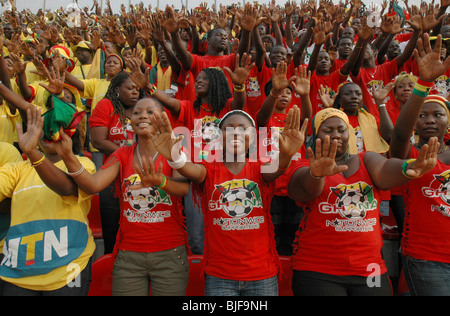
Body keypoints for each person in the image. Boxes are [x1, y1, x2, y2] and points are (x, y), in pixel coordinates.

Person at [148, 104, 307, 296]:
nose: (236, 132)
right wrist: (174, 156)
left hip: (261, 275)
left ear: (254, 136)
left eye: (243, 128)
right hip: (220, 276)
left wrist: (286, 155)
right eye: (228, 129)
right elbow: (190, 170)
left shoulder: (261, 168)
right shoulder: (208, 169)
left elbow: (276, 169)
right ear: (219, 136)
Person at [286, 106, 439, 296]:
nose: (336, 135)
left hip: (370, 268)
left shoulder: (367, 159)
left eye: (341, 130)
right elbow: (304, 191)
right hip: (318, 269)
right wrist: (316, 174)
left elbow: (385, 171)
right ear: (316, 135)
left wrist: (409, 167)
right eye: (328, 130)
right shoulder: (305, 165)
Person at [56, 97, 191, 296]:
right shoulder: (122, 154)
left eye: (150, 112)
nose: (143, 115)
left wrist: (160, 181)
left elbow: (184, 189)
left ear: (162, 118)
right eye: (137, 113)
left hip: (169, 253)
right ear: (130, 121)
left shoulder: (175, 151)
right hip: (129, 256)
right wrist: (68, 157)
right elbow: (94, 184)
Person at [128, 52, 254, 254]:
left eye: (204, 79)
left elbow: (238, 104)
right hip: (196, 178)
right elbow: (169, 102)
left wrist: (239, 86)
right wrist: (148, 88)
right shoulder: (188, 107)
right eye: (198, 79)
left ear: (216, 82)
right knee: (196, 237)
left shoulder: (226, 107)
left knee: (225, 230)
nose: (198, 82)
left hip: (223, 177)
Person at [0, 105, 96, 296]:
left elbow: (68, 188)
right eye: (45, 129)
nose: (50, 133)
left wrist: (33, 154)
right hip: (19, 270)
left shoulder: (84, 164)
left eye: (56, 128)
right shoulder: (17, 169)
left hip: (69, 266)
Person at [389, 34, 450, 296]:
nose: (429, 120)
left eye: (438, 114)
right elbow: (400, 135)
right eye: (422, 115)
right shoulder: (410, 153)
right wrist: (424, 83)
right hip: (427, 258)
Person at [256, 62, 312, 255]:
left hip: (294, 184)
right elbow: (262, 117)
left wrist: (304, 95)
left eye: (288, 92)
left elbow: (307, 117)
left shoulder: (294, 118)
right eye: (279, 91)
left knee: (293, 235)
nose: (284, 94)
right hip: (272, 185)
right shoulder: (265, 119)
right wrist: (274, 92)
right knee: (274, 234)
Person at [88, 71, 142, 254]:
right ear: (117, 89)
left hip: (141, 177)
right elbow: (98, 141)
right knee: (113, 230)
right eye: (130, 88)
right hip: (113, 178)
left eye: (137, 88)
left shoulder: (144, 107)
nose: (135, 91)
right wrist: (129, 156)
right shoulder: (106, 105)